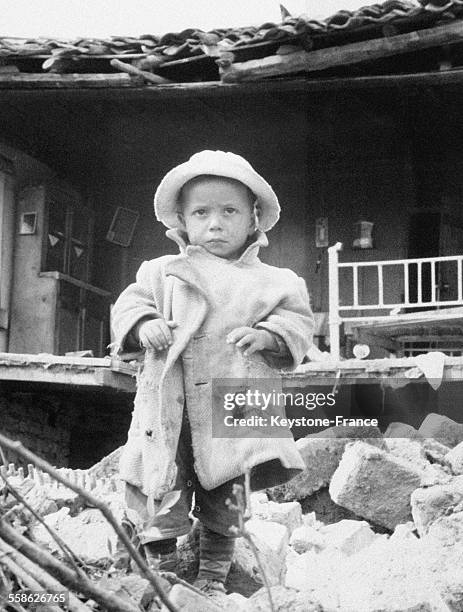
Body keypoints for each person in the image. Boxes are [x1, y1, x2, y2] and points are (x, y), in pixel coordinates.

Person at [110, 150, 314, 594]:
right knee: (159, 481)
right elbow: (128, 304)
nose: (215, 224)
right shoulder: (160, 272)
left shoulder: (275, 281)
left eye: (229, 211)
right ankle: (159, 570)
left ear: (253, 218)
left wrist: (269, 336)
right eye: (201, 213)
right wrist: (144, 324)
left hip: (234, 408)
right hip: (170, 405)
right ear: (182, 221)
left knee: (228, 495)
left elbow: (299, 323)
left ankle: (213, 577)